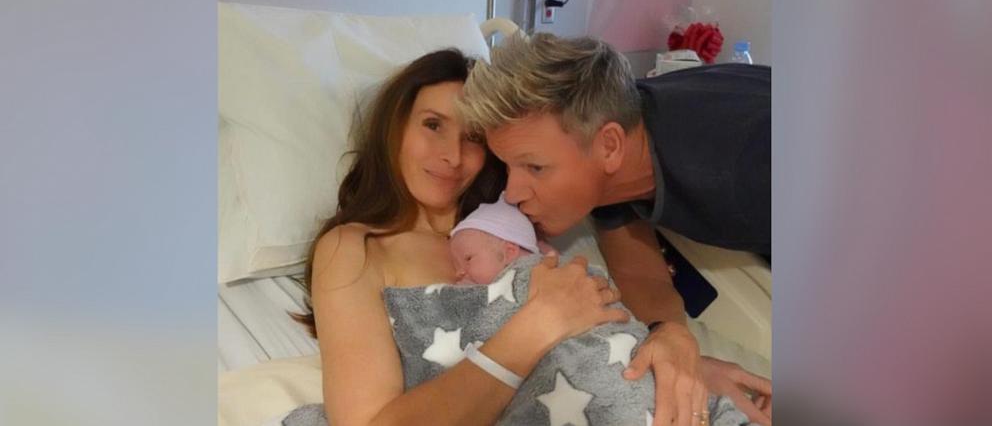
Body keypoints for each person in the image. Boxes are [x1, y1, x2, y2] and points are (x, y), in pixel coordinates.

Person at [294, 49, 663, 426]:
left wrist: (669, 340)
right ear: (395, 126)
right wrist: (538, 325)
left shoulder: (522, 217)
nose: (453, 156)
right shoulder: (355, 248)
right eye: (433, 125)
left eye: (472, 137)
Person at [459, 33, 774, 425]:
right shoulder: (612, 145)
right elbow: (641, 275)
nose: (512, 193)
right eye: (508, 167)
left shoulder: (746, 165)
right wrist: (672, 339)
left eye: (534, 167)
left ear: (609, 146)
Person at [448, 193, 541, 285]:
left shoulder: (535, 280)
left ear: (510, 252)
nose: (459, 273)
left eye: (468, 259)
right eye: (456, 267)